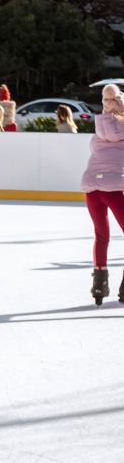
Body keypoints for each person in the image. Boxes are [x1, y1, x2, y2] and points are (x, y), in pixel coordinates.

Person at [81, 84, 124, 305]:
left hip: (92, 189)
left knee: (101, 236)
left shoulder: (97, 134)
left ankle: (99, 285)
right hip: (115, 189)